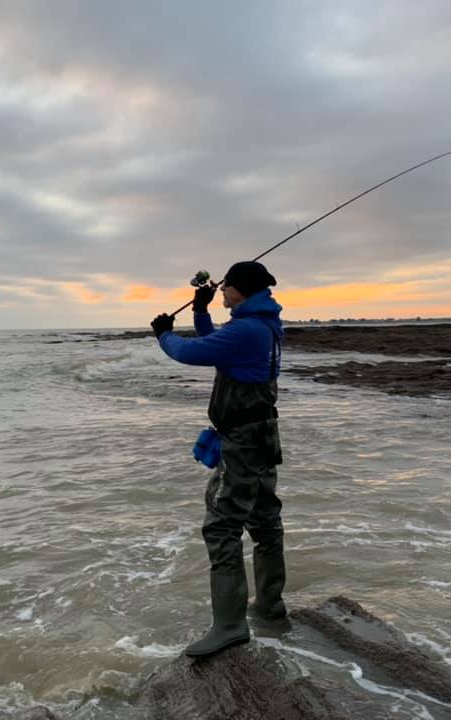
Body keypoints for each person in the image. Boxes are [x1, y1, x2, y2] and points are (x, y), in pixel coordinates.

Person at [150, 261, 286, 658]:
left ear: (241, 289)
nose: (221, 291)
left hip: (242, 442)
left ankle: (229, 626)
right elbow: (218, 348)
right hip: (261, 435)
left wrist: (163, 335)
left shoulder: (247, 329)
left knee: (222, 527)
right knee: (265, 519)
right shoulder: (263, 325)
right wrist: (200, 310)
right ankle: (270, 605)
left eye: (225, 287)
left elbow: (192, 352)